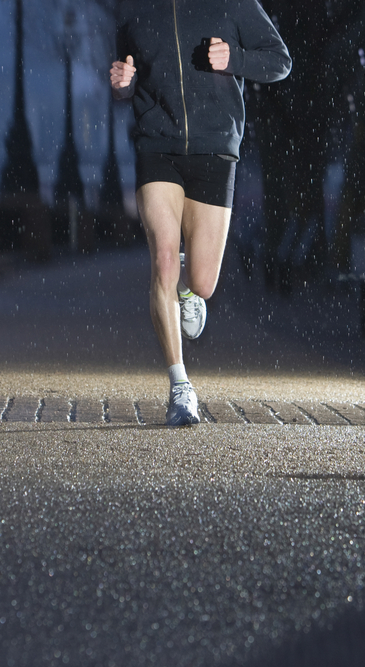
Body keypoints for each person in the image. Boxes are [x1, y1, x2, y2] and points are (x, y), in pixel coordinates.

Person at [109, 0, 291, 426]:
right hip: (157, 147)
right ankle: (180, 387)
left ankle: (189, 290)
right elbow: (127, 80)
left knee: (204, 283)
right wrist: (121, 84)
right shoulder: (132, 10)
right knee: (164, 260)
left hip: (215, 149)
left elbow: (280, 61)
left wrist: (236, 59)